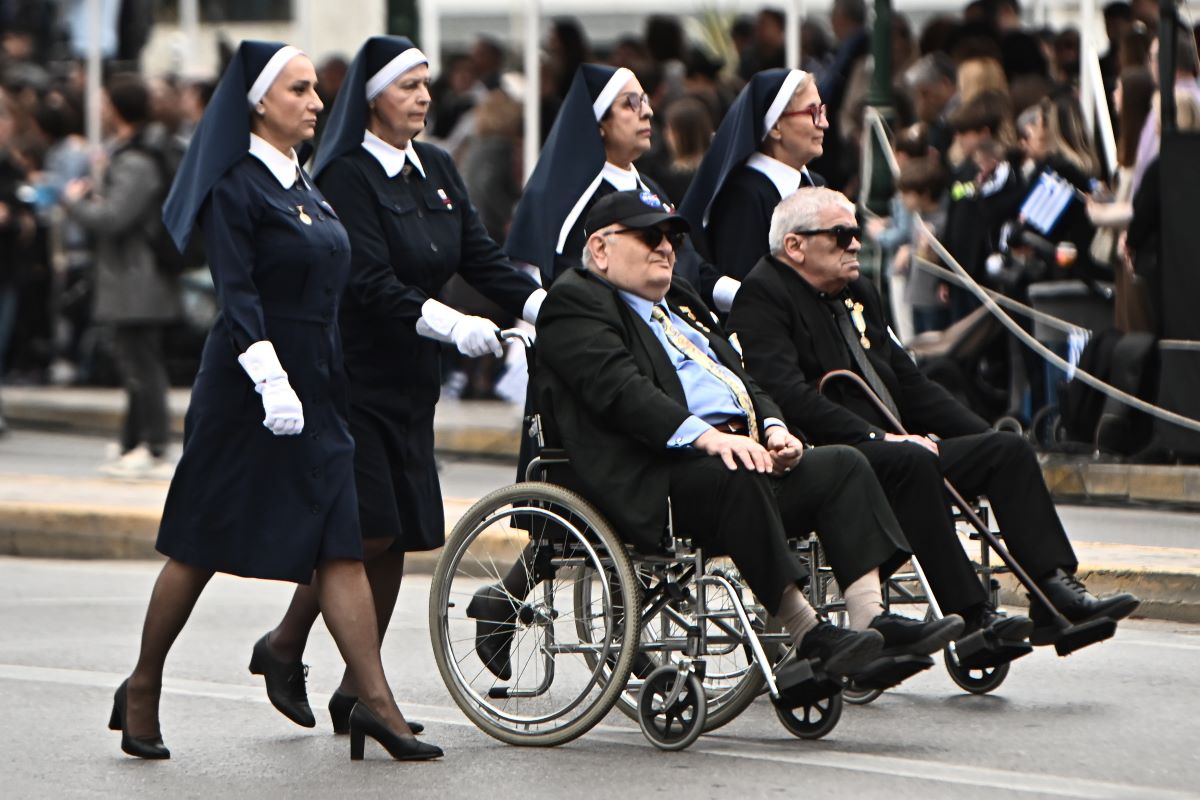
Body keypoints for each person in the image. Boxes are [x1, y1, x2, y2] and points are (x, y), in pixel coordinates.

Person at [109, 40, 441, 762]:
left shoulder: (303, 183)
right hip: (247, 390)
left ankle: (374, 703)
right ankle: (142, 685)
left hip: (319, 387)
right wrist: (267, 376)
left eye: (317, 91)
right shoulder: (236, 186)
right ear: (259, 102)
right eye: (299, 91)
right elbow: (237, 296)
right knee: (200, 543)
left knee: (340, 542)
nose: (317, 103)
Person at [534, 189, 962, 678]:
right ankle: (807, 634)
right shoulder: (574, 302)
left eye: (672, 238)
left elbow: (740, 373)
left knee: (843, 464)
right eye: (650, 236)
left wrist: (775, 429)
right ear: (601, 249)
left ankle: (871, 624)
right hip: (654, 472)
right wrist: (709, 437)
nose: (667, 248)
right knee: (735, 474)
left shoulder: (679, 299)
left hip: (738, 454)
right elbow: (621, 391)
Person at [249, 35, 544, 735]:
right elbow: (369, 279)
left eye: (425, 85)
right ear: (373, 98)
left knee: (400, 533)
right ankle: (299, 651)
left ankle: (344, 681)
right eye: (407, 85)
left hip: (413, 381)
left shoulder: (436, 166)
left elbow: (481, 255)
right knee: (368, 529)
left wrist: (542, 305)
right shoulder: (348, 175)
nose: (422, 97)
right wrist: (449, 323)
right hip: (354, 375)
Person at [727, 187, 1140, 652]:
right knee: (913, 464)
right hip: (838, 454)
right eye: (841, 236)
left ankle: (1053, 591)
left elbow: (911, 385)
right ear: (795, 246)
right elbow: (790, 397)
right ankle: (971, 616)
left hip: (899, 445)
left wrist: (979, 436)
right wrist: (881, 437)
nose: (856, 245)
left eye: (857, 234)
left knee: (1007, 450)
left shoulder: (858, 291)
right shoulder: (763, 295)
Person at [504, 62, 734, 310]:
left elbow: (693, 269)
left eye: (645, 101)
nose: (648, 112)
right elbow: (583, 295)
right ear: (600, 123)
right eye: (631, 103)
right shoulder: (577, 203)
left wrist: (742, 294)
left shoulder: (649, 188)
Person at [62, 74, 181, 478]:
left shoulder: (137, 160)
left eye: (103, 102)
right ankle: (135, 442)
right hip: (133, 278)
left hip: (138, 278)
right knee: (133, 362)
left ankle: (156, 445)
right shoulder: (131, 154)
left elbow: (113, 218)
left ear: (116, 108)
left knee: (143, 364)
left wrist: (74, 203)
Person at [679, 68, 827, 283]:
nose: (823, 123)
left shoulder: (815, 183)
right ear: (776, 126)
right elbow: (747, 289)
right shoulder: (743, 195)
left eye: (822, 111)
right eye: (812, 112)